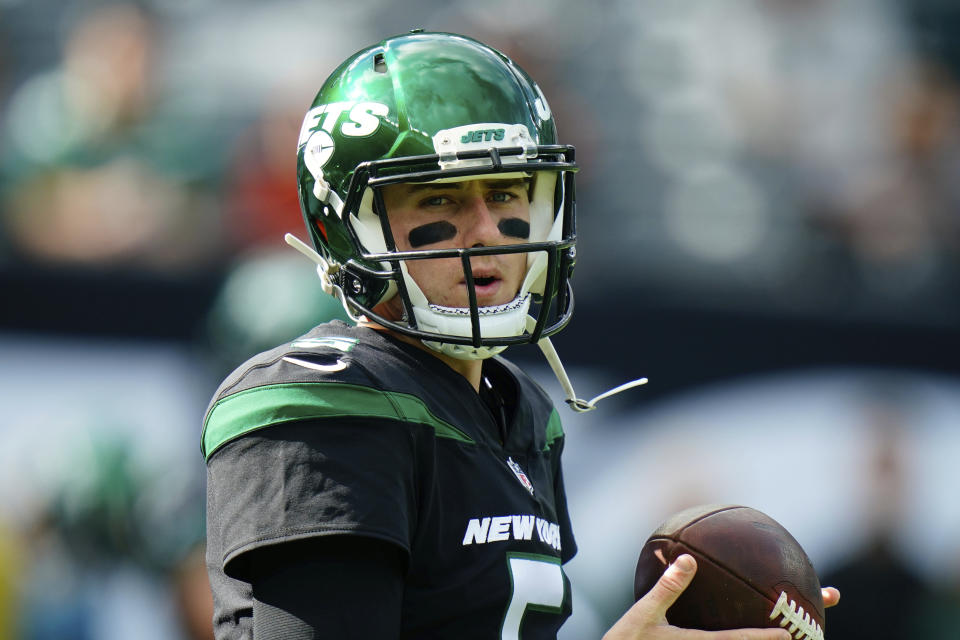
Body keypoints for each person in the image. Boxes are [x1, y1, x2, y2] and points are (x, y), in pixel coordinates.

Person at [202, 31, 838, 639]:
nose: (486, 230)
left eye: (507, 192)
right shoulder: (324, 407)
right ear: (351, 227)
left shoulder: (520, 409)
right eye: (439, 199)